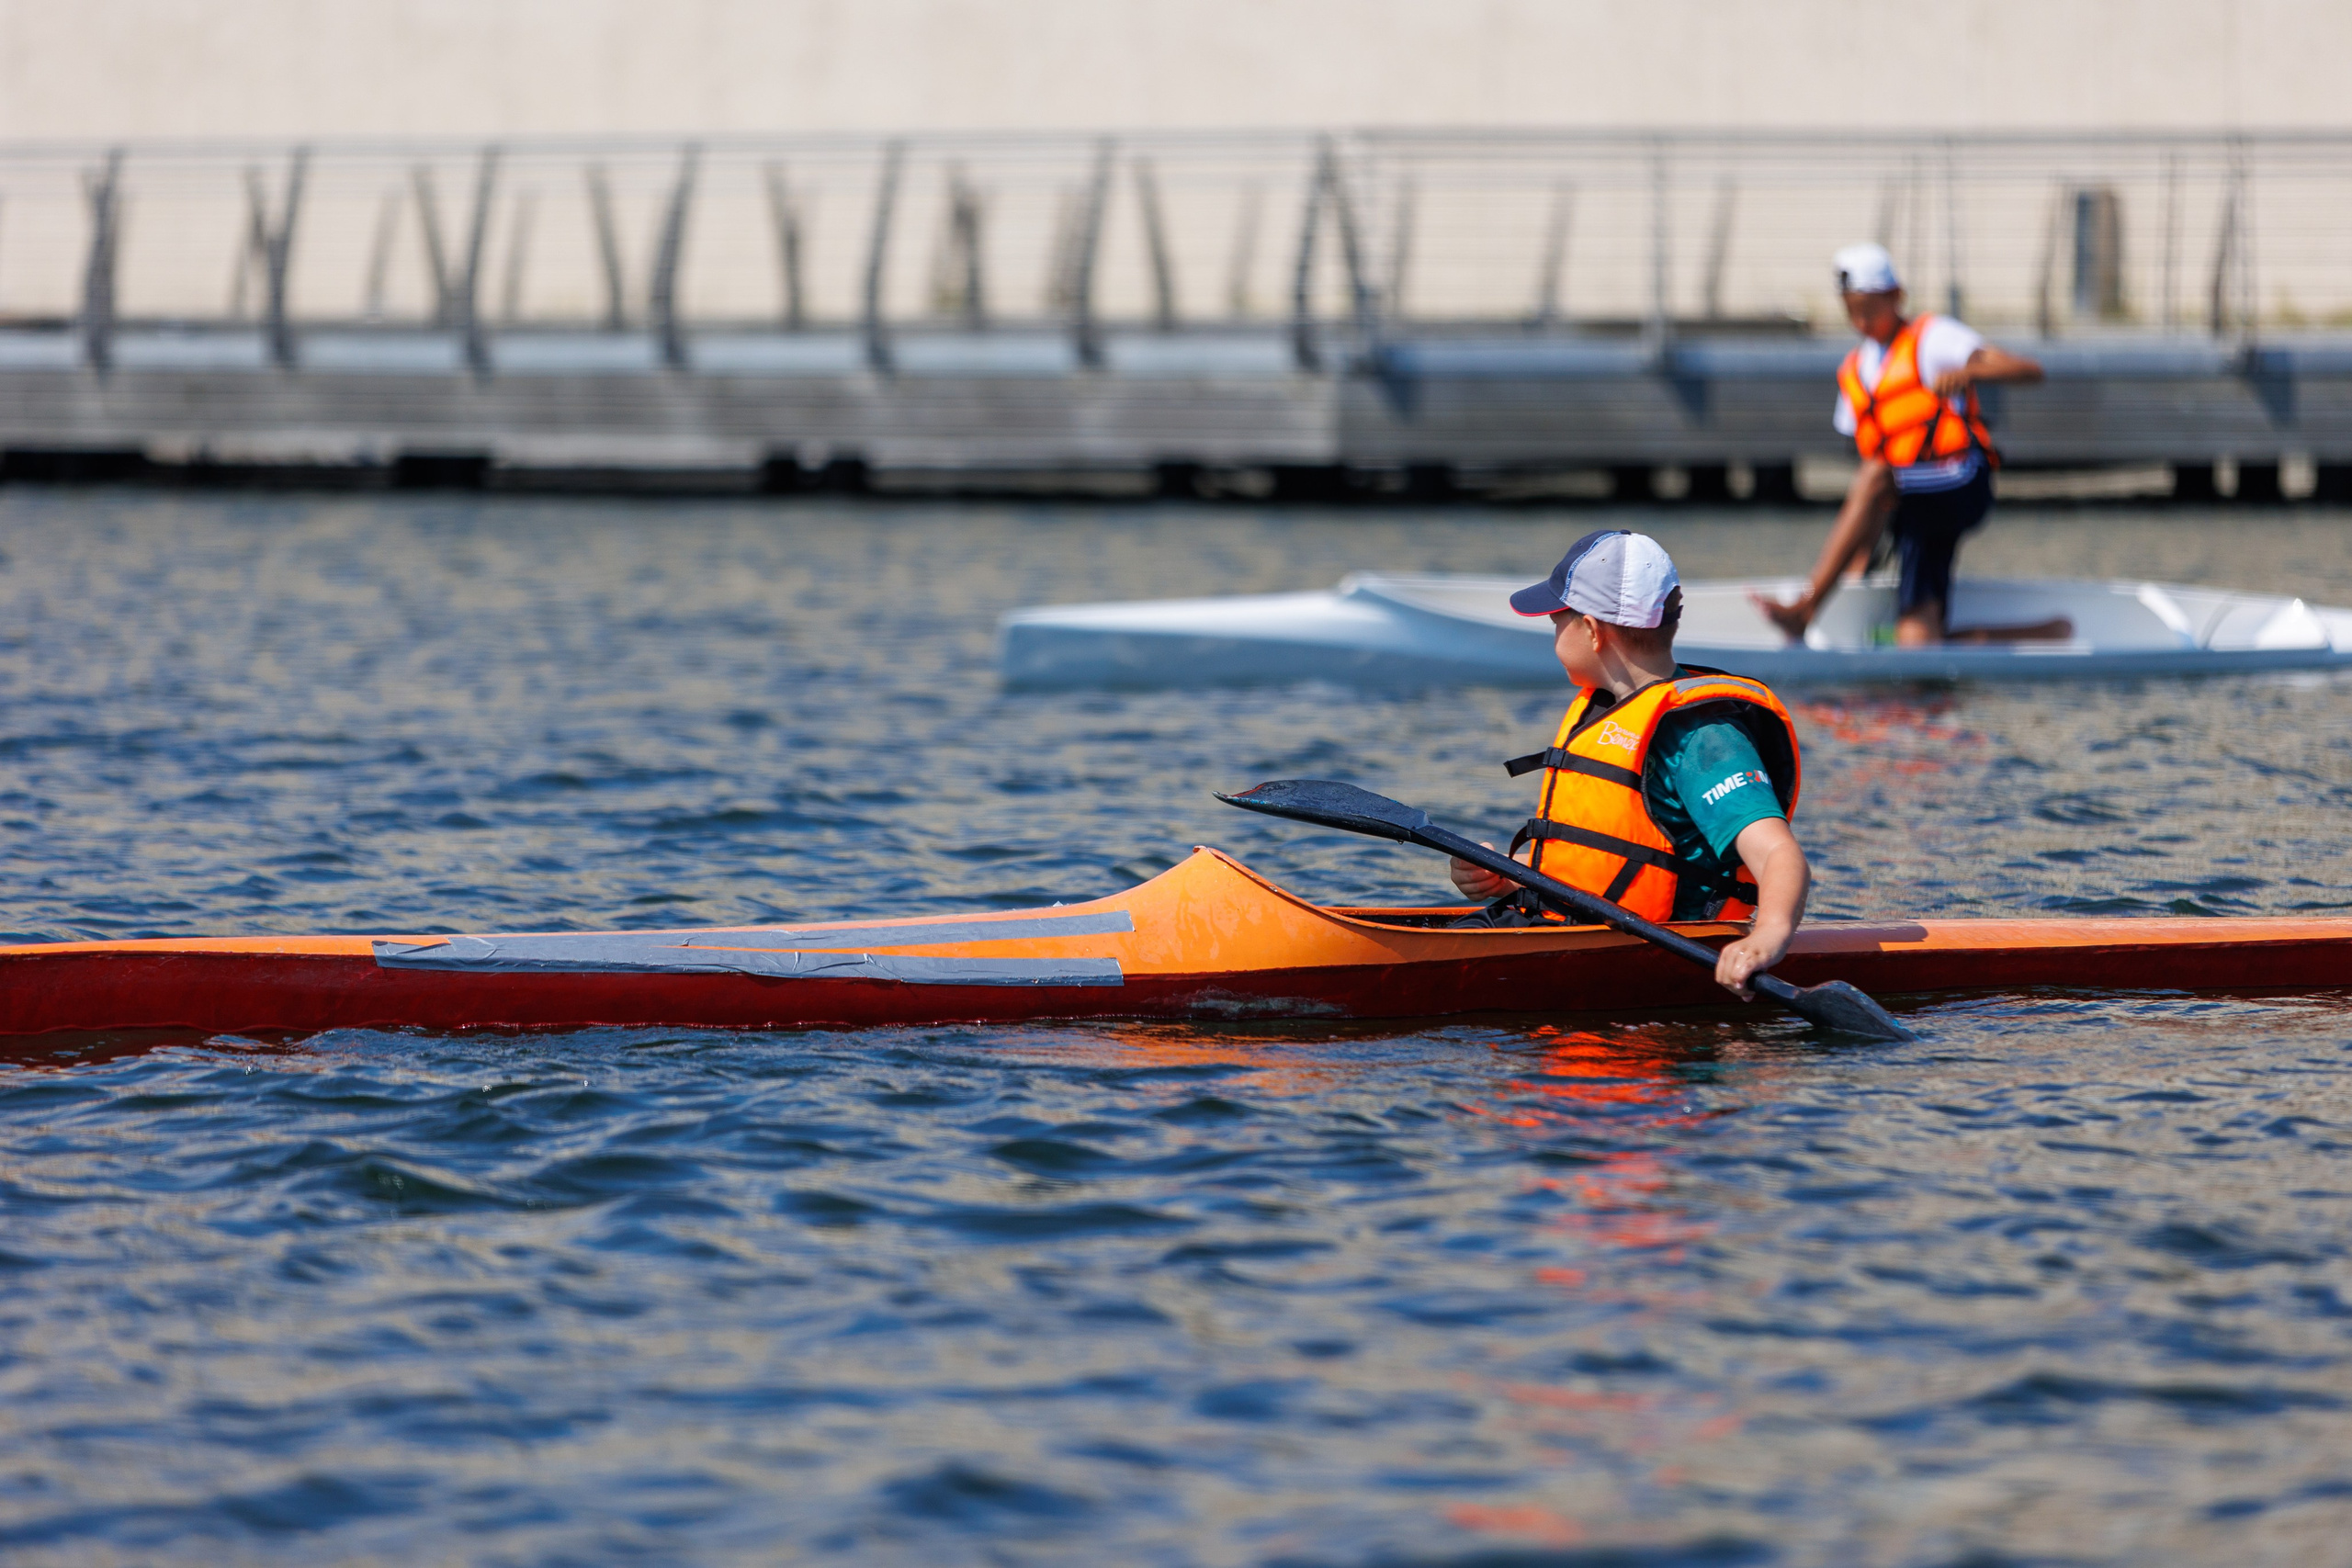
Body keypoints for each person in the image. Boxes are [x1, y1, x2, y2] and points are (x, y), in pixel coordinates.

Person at [1450, 529, 1809, 1001]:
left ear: (1593, 631)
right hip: (1560, 929)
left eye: (1558, 619)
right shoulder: (1608, 709)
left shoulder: (1702, 739)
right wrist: (1509, 871)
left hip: (1638, 955)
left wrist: (1767, 936)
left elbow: (1779, 855)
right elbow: (1607, 859)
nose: (1553, 631)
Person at [1753, 243, 2064, 647]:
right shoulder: (1853, 371)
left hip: (1959, 483)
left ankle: (1804, 610)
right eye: (1852, 311)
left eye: (1870, 309)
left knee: (1879, 474)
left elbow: (2029, 371)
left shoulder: (1934, 337)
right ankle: (2046, 633)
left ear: (1896, 298)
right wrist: (1862, 556)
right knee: (1918, 639)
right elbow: (1868, 480)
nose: (1861, 321)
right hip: (1909, 504)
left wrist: (1970, 370)